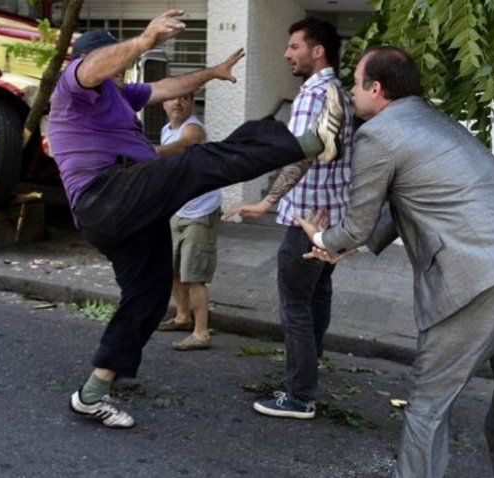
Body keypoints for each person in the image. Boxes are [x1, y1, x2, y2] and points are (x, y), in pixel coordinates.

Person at [48, 10, 346, 429]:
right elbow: (94, 67)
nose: (120, 76)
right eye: (114, 67)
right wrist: (145, 40)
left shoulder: (119, 94)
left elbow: (167, 86)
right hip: (106, 196)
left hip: (132, 209)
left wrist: (213, 72)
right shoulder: (72, 88)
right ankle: (312, 142)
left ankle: (91, 393)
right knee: (197, 162)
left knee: (148, 297)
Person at [296, 46, 494, 478]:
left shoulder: (377, 134)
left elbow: (357, 224)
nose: (350, 92)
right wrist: (350, 246)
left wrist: (324, 237)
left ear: (375, 88)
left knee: (429, 405)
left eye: (355, 82)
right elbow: (410, 202)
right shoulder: (434, 120)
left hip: (477, 278)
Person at [224, 17, 354, 420]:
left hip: (306, 220)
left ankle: (299, 396)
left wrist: (265, 203)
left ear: (317, 51)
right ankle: (306, 377)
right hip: (330, 219)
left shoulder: (316, 93)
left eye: (294, 46)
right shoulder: (341, 93)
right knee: (315, 299)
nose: (286, 54)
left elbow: (300, 153)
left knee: (296, 304)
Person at [153, 92, 220, 351]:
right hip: (177, 210)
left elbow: (185, 144)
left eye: (184, 98)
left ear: (192, 103)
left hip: (200, 212)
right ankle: (182, 317)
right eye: (172, 98)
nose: (177, 103)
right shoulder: (165, 129)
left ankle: (201, 333)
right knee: (175, 270)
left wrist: (153, 152)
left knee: (194, 276)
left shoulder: (194, 128)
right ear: (164, 103)